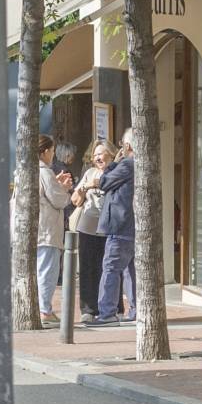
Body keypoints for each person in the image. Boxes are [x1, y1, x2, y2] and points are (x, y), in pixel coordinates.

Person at [92, 128, 136, 325]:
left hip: (120, 225)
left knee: (110, 268)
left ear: (126, 146)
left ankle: (107, 313)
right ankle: (135, 310)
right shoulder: (138, 164)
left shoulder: (127, 164)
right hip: (131, 226)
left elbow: (104, 182)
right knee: (130, 270)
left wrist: (114, 163)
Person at [71, 141, 115, 322]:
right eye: (95, 155)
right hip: (87, 227)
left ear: (111, 155)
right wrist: (83, 188)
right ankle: (88, 310)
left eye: (101, 154)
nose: (97, 158)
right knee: (88, 269)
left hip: (109, 227)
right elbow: (75, 200)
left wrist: (96, 184)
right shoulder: (89, 173)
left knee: (108, 269)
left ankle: (112, 308)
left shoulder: (116, 172)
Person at [36, 135, 74, 323]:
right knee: (47, 270)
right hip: (47, 230)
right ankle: (45, 310)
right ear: (44, 152)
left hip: (36, 230)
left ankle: (41, 308)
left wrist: (56, 183)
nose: (53, 155)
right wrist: (65, 188)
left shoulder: (28, 170)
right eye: (51, 151)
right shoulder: (44, 171)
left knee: (40, 269)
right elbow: (57, 199)